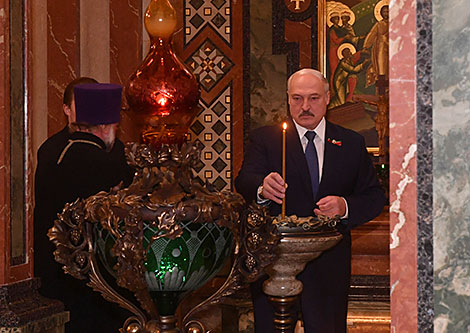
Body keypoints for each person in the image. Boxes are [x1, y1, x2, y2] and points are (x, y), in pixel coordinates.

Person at [235, 68, 386, 332]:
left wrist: (344, 206)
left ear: (328, 98)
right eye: (297, 99)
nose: (305, 106)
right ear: (288, 99)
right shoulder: (266, 139)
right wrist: (262, 187)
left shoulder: (351, 142)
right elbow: (244, 180)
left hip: (328, 263)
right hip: (275, 259)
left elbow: (374, 196)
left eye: (313, 98)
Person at [34, 83, 134, 333]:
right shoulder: (108, 163)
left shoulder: (57, 153)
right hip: (100, 282)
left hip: (56, 273)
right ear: (105, 126)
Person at [363, 4, 389, 88]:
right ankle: (381, 93)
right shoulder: (379, 24)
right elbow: (372, 34)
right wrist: (366, 46)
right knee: (381, 68)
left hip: (392, 47)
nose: (386, 13)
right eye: (384, 12)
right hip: (381, 48)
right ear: (381, 13)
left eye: (388, 11)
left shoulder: (395, 23)